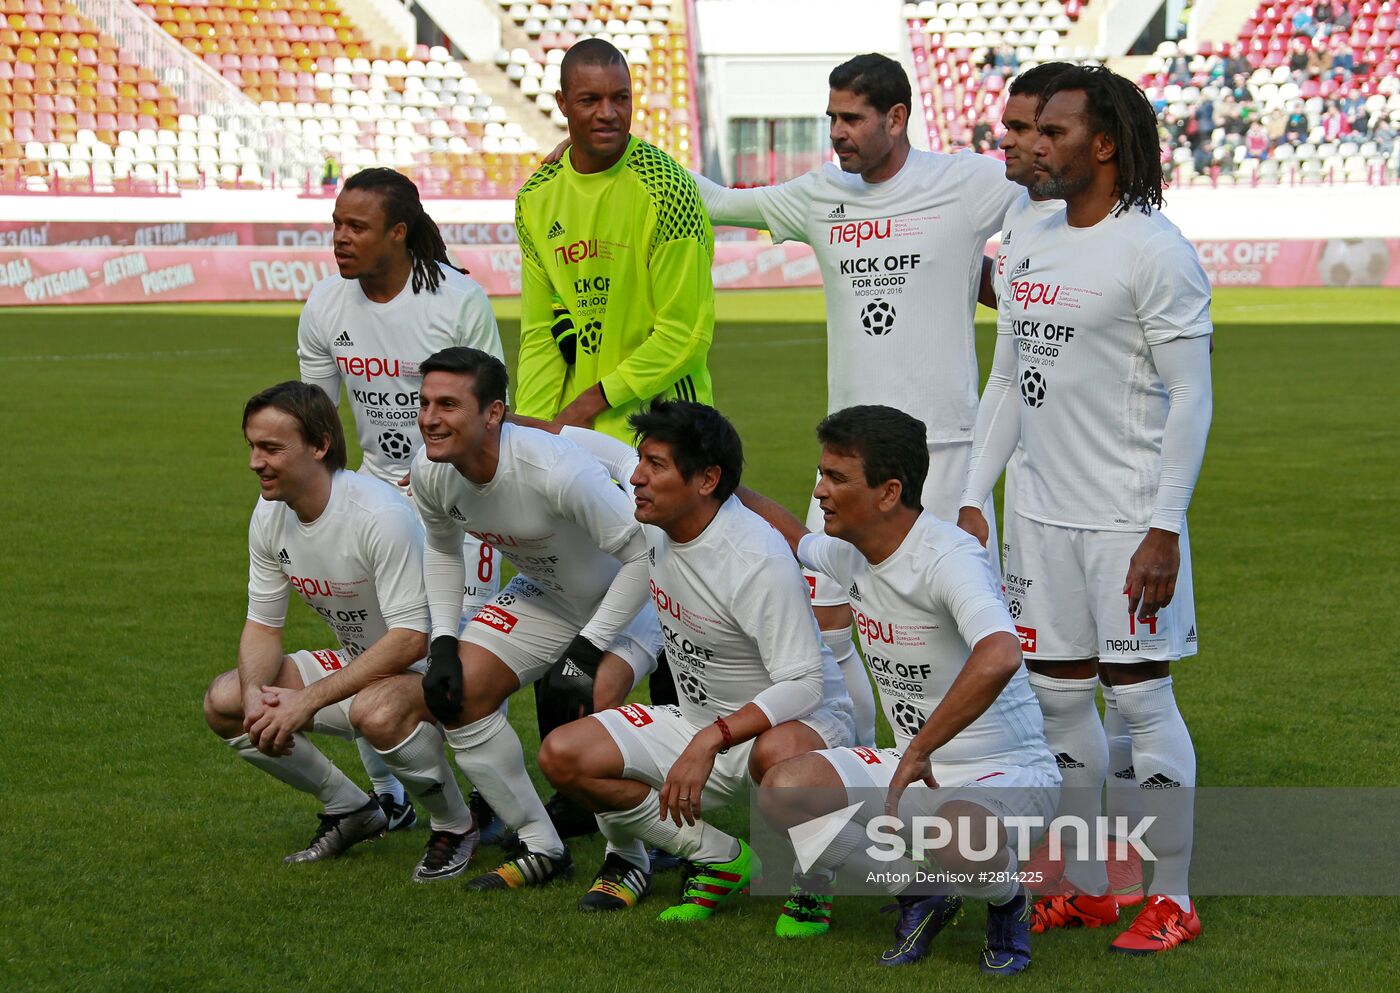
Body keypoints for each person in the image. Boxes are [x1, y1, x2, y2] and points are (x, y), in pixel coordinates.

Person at [681, 53, 1022, 749]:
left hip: (945, 453)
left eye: (852, 118)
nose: (837, 131)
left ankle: (983, 768)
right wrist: (628, 156)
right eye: (831, 116)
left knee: (955, 624)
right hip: (846, 457)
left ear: (896, 118)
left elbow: (1048, 198)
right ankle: (866, 762)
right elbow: (715, 202)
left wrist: (1009, 280)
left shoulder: (965, 182)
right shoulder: (818, 197)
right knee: (828, 617)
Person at [960, 65, 1212, 954]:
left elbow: (1192, 399)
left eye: (1054, 133)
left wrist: (1164, 526)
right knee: (1058, 704)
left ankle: (1171, 896)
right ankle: (1090, 885)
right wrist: (971, 496)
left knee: (1141, 706)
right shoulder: (1027, 232)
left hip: (1125, 521)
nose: (1033, 146)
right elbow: (1007, 380)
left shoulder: (1155, 248)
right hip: (1039, 518)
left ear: (1102, 145)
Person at [743, 405, 1057, 975]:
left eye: (836, 478)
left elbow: (1001, 654)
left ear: (889, 493)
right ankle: (922, 893)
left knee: (957, 833)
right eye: (822, 474)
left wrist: (917, 748)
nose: (819, 491)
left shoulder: (948, 557)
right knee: (785, 788)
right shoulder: (849, 551)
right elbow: (791, 535)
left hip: (1006, 770)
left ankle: (1009, 903)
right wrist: (718, 476)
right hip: (917, 770)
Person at [535, 401, 854, 921]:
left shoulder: (757, 559)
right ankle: (721, 859)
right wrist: (494, 424)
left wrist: (712, 737)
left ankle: (813, 878)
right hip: (699, 722)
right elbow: (579, 442)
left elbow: (805, 683)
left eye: (655, 465)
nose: (636, 477)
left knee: (780, 752)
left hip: (798, 725)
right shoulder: (658, 516)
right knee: (564, 754)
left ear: (707, 480)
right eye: (641, 461)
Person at [297, 167, 505, 831]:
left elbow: (486, 411)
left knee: (456, 659)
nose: (340, 238)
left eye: (356, 226)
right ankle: (390, 795)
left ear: (398, 232)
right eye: (335, 224)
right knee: (370, 653)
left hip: (458, 498)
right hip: (373, 496)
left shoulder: (455, 299)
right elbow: (315, 423)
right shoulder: (325, 306)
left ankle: (489, 802)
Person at [202, 382, 479, 881]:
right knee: (225, 700)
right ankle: (349, 808)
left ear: (320, 444)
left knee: (377, 710)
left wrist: (306, 701)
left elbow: (411, 639)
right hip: (363, 666)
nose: (254, 462)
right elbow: (263, 625)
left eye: (270, 448)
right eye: (251, 446)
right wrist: (252, 698)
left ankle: (456, 826)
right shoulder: (268, 514)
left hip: (438, 674)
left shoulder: (379, 516)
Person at [410, 346, 661, 891]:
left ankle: (629, 858)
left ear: (493, 413)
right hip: (544, 593)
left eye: (449, 404)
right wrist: (445, 642)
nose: (430, 418)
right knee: (457, 693)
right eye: (425, 402)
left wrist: (589, 649)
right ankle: (542, 845)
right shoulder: (431, 469)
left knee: (584, 702)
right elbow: (442, 549)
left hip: (634, 597)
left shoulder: (554, 469)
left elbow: (646, 556)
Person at [513, 38, 715, 443]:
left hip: (665, 427)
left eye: (620, 98)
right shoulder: (534, 198)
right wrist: (530, 433)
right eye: (589, 100)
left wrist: (590, 402)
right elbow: (541, 334)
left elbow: (684, 333)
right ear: (562, 103)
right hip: (578, 431)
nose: (608, 114)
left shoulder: (667, 188)